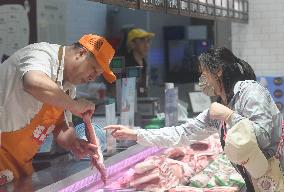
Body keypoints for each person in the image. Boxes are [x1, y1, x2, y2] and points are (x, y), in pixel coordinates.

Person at [105, 47, 284, 191]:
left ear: (218, 71)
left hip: (277, 172)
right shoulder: (220, 106)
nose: (201, 79)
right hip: (255, 176)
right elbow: (182, 133)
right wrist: (135, 134)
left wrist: (230, 116)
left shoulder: (249, 91)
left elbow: (263, 136)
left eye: (203, 73)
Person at [0, 33, 116, 184]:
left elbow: (60, 128)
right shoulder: (42, 54)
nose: (92, 78)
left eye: (97, 75)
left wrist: (75, 142)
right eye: (93, 69)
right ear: (81, 54)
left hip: (17, 167)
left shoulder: (69, 88)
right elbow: (33, 82)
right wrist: (75, 105)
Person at [125, 28, 155, 97]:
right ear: (132, 44)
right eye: (142, 41)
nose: (147, 45)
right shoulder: (127, 65)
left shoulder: (144, 63)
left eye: (148, 41)